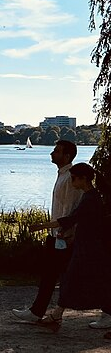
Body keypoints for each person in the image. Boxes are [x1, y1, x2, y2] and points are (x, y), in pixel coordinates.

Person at [29, 162, 111, 330]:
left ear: (83, 179)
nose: (72, 182)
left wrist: (41, 226)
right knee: (82, 279)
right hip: (87, 245)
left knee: (78, 279)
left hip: (89, 248)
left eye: (74, 178)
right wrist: (70, 234)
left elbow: (71, 218)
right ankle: (58, 314)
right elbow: (83, 221)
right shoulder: (91, 197)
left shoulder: (90, 198)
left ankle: (59, 315)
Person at [12, 140, 83, 323]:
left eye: (56, 151)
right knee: (51, 275)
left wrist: (64, 232)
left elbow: (69, 208)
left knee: (64, 276)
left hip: (62, 236)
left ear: (66, 156)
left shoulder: (69, 178)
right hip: (57, 234)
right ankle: (40, 312)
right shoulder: (62, 175)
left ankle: (44, 313)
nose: (52, 153)